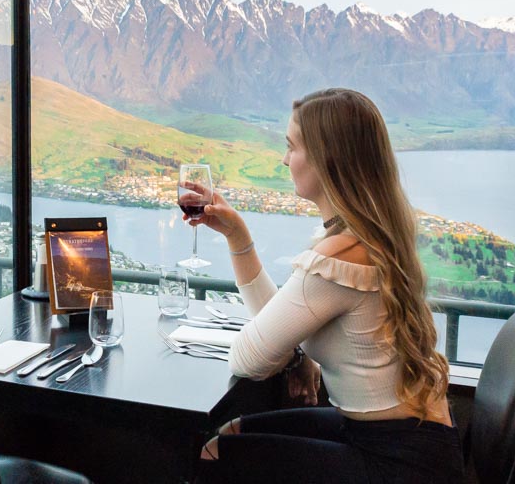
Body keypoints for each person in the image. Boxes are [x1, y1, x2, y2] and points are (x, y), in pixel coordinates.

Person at [186, 88, 465, 484]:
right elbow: (280, 324)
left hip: (398, 463)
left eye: (291, 146)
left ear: (327, 159)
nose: (284, 159)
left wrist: (294, 355)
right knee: (233, 430)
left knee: (213, 453)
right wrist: (238, 238)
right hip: (411, 441)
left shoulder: (341, 256)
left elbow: (248, 358)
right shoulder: (366, 236)